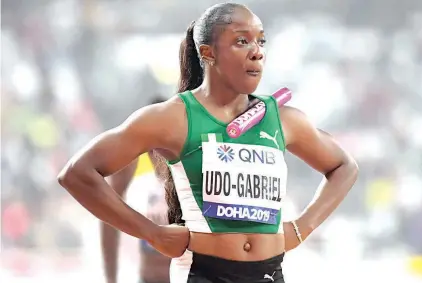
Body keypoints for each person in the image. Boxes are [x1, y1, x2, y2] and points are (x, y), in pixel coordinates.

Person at [57, 3, 359, 282]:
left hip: (269, 272)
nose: (257, 52)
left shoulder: (282, 118)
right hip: (204, 273)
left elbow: (344, 166)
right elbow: (77, 174)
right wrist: (153, 233)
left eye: (261, 41)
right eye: (242, 41)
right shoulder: (173, 117)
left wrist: (300, 228)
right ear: (209, 52)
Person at [100, 97, 173, 283]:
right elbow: (107, 217)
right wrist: (110, 278)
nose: (158, 151)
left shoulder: (193, 174)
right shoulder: (135, 174)